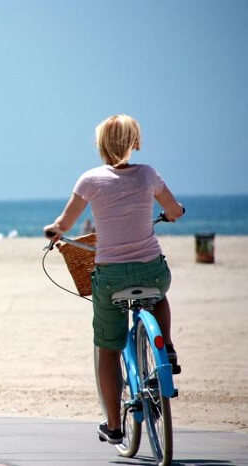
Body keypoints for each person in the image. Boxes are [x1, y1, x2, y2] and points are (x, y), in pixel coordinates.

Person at [43, 114, 184, 445]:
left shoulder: (90, 180)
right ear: (135, 143)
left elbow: (63, 223)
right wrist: (172, 214)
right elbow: (174, 209)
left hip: (111, 277)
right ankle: (168, 348)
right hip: (150, 268)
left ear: (100, 146)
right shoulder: (149, 175)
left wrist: (54, 231)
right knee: (159, 296)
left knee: (107, 348)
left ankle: (114, 425)